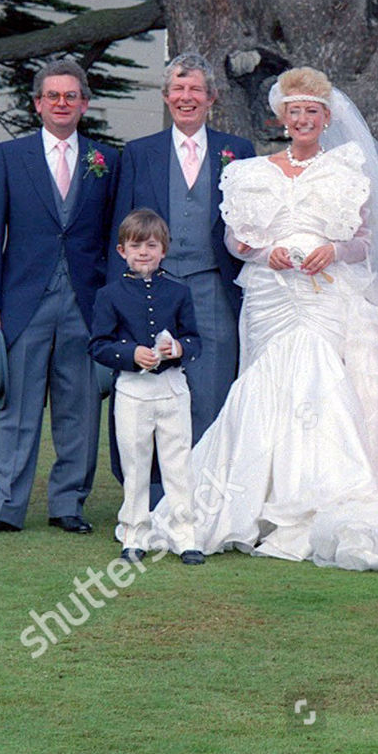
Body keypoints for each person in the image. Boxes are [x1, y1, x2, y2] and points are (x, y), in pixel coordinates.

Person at [147, 68, 378, 569]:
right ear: (282, 118)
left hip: (324, 293)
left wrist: (333, 250)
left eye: (313, 112)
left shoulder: (346, 170)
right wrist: (261, 252)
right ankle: (253, 498)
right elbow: (234, 239)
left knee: (321, 382)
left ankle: (320, 493)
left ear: (327, 118)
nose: (304, 119)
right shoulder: (253, 171)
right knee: (264, 384)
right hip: (270, 294)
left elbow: (363, 242)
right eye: (295, 112)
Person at [0, 58, 117, 537]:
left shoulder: (106, 160)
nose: (62, 103)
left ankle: (68, 504)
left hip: (86, 304)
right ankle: (5, 506)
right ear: (37, 104)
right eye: (53, 96)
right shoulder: (11, 157)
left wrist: (114, 306)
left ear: (84, 104)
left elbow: (116, 235)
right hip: (23, 302)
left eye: (71, 96)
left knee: (81, 409)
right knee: (17, 409)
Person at [108, 54, 256, 487]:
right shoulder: (139, 153)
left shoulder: (239, 152)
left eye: (195, 89)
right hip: (154, 289)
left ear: (211, 97)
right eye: (178, 88)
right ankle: (152, 498)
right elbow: (120, 226)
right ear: (166, 96)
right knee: (152, 396)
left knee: (211, 394)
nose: (186, 97)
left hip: (214, 288)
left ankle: (206, 496)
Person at [89, 209, 205, 565]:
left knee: (177, 462)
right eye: (136, 245)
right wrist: (131, 353)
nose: (144, 252)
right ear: (122, 250)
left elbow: (195, 340)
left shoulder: (178, 291)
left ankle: (186, 535)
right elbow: (99, 345)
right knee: (135, 464)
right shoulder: (109, 295)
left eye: (151, 245)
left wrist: (178, 348)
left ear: (163, 250)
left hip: (172, 389)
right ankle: (134, 534)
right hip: (132, 392)